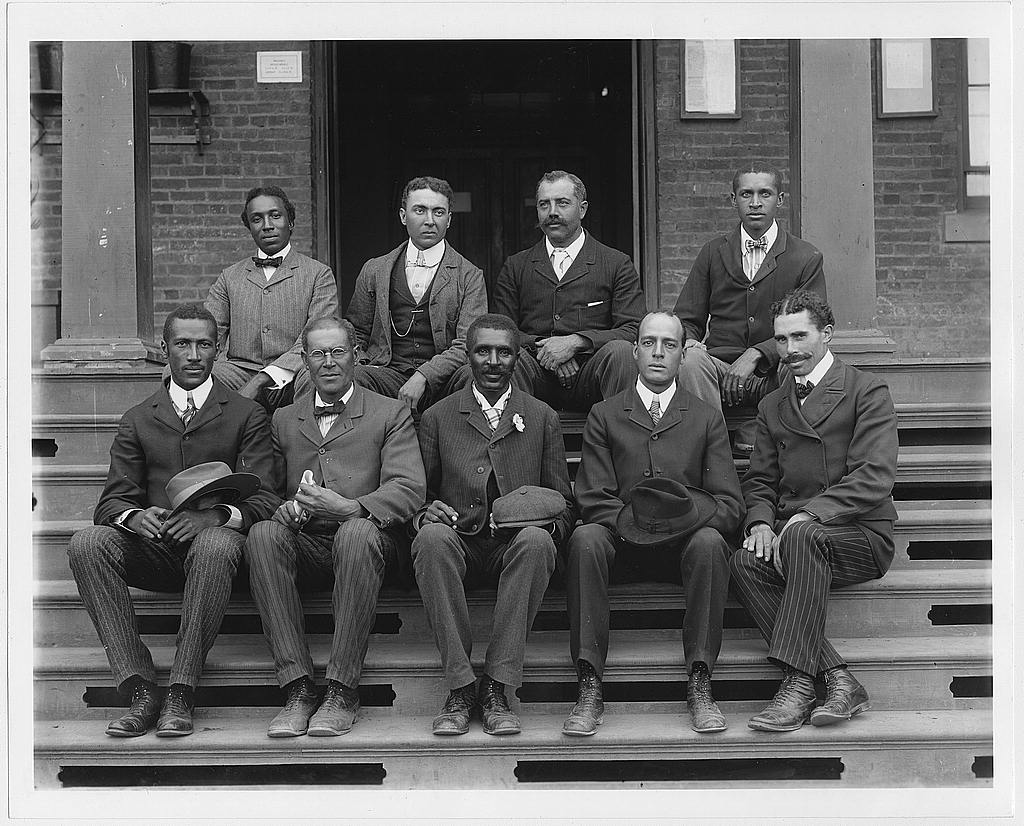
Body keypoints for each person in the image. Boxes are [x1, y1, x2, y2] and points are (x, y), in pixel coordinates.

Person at [66, 303, 279, 738]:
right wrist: (134, 517)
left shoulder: (246, 414)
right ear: (165, 349)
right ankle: (141, 689)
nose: (194, 355)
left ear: (218, 350)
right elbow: (111, 503)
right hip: (159, 550)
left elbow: (269, 498)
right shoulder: (139, 417)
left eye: (204, 344)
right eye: (183, 344)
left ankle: (182, 690)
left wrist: (217, 517)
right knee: (87, 542)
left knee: (216, 544)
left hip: (219, 557)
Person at [563, 310, 743, 736]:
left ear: (684, 354)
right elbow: (592, 498)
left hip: (684, 551)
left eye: (669, 344)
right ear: (635, 352)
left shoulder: (704, 416)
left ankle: (700, 679)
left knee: (712, 542)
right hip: (621, 547)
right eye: (648, 343)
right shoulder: (605, 414)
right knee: (585, 538)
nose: (658, 353)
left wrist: (677, 522)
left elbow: (729, 504)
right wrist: (637, 524)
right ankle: (589, 683)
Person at [244, 316, 426, 738]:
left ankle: (342, 689)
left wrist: (351, 507)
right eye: (318, 354)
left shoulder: (390, 413)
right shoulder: (284, 419)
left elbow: (409, 487)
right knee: (263, 534)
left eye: (337, 352)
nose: (328, 362)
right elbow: (265, 490)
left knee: (357, 532)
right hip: (308, 542)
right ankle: (298, 687)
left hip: (370, 540)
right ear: (304, 360)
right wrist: (284, 510)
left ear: (356, 356)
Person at [730, 290, 898, 732]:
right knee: (745, 560)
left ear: (827, 334)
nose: (790, 351)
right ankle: (838, 679)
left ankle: (799, 684)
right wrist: (762, 522)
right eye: (781, 341)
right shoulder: (772, 404)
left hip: (859, 536)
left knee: (803, 534)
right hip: (799, 537)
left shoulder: (866, 389)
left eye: (800, 337)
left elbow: (875, 475)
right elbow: (760, 480)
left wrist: (810, 514)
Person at [411, 314, 575, 736]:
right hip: (459, 539)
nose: (493, 361)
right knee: (430, 538)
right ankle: (462, 686)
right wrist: (425, 512)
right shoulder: (437, 416)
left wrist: (539, 519)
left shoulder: (541, 417)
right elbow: (418, 496)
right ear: (468, 357)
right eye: (483, 351)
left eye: (504, 352)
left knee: (539, 541)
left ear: (517, 358)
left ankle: (497, 688)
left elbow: (565, 505)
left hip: (515, 543)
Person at [470, 170, 644, 411]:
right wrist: (547, 347)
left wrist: (576, 342)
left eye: (562, 203)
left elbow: (634, 329)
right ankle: (514, 441)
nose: (552, 212)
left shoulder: (615, 263)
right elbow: (501, 329)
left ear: (582, 209)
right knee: (505, 356)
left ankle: (621, 439)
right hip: (534, 374)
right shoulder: (517, 265)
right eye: (544, 204)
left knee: (622, 352)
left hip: (591, 374)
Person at [673, 165, 826, 438]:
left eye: (764, 194)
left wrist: (757, 353)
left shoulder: (805, 257)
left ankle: (768, 434)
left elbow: (813, 324)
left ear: (779, 200)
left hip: (776, 373)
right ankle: (711, 443)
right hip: (718, 371)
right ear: (734, 199)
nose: (755, 203)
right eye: (746, 194)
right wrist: (689, 341)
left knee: (803, 356)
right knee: (690, 360)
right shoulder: (712, 252)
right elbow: (687, 318)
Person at [346, 176, 487, 410]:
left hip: (445, 381)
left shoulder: (469, 275)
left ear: (449, 220)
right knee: (355, 377)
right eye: (420, 210)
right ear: (403, 216)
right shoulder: (375, 269)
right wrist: (366, 363)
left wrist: (424, 376)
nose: (430, 220)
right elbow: (357, 333)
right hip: (388, 374)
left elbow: (468, 343)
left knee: (473, 376)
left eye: (439, 212)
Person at [205, 185, 340, 409]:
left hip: (295, 374)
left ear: (291, 222)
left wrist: (264, 378)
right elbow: (208, 332)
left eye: (275, 216)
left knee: (317, 378)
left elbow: (317, 337)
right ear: (249, 227)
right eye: (257, 219)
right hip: (240, 372)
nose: (267, 226)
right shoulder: (230, 277)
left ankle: (306, 441)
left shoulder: (318, 274)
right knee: (181, 372)